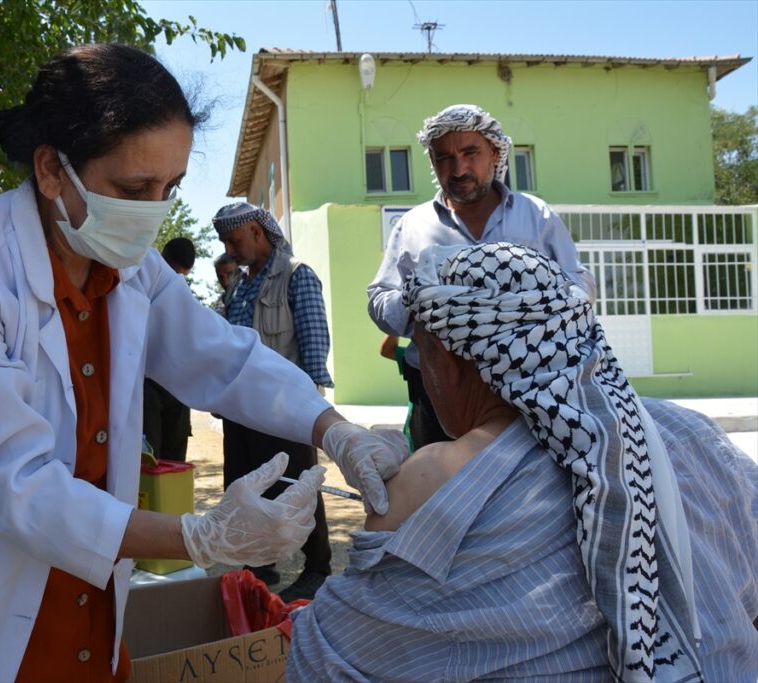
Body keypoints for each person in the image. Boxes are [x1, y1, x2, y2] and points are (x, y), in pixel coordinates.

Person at [0, 44, 408, 683]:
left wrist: (333, 430)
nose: (154, 211)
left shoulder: (130, 271)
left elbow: (223, 358)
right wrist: (199, 537)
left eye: (170, 188)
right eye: (133, 189)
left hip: (87, 615)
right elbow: (15, 485)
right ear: (52, 170)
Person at [289, 243, 758, 682]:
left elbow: (326, 653)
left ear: (445, 359)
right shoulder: (691, 433)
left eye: (421, 354)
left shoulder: (431, 477)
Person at [367, 103, 596, 451]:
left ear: (495, 153)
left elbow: (579, 289)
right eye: (444, 158)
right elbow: (381, 301)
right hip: (438, 395)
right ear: (433, 163)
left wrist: (529, 300)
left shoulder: (536, 217)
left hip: (532, 390)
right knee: (440, 482)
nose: (459, 169)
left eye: (470, 153)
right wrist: (419, 299)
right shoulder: (412, 226)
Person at [213, 201, 342, 603]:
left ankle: (318, 567)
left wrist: (310, 406)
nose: (229, 250)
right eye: (225, 242)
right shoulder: (239, 285)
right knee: (244, 484)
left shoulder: (297, 276)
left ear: (257, 232)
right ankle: (260, 562)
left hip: (284, 408)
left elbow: (314, 342)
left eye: (234, 240)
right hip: (240, 407)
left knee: (298, 484)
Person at [142, 237, 197, 461]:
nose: (177, 280)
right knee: (149, 458)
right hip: (146, 387)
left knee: (175, 461)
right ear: (163, 260)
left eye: (183, 276)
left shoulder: (185, 296)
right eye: (174, 273)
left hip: (178, 388)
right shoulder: (138, 290)